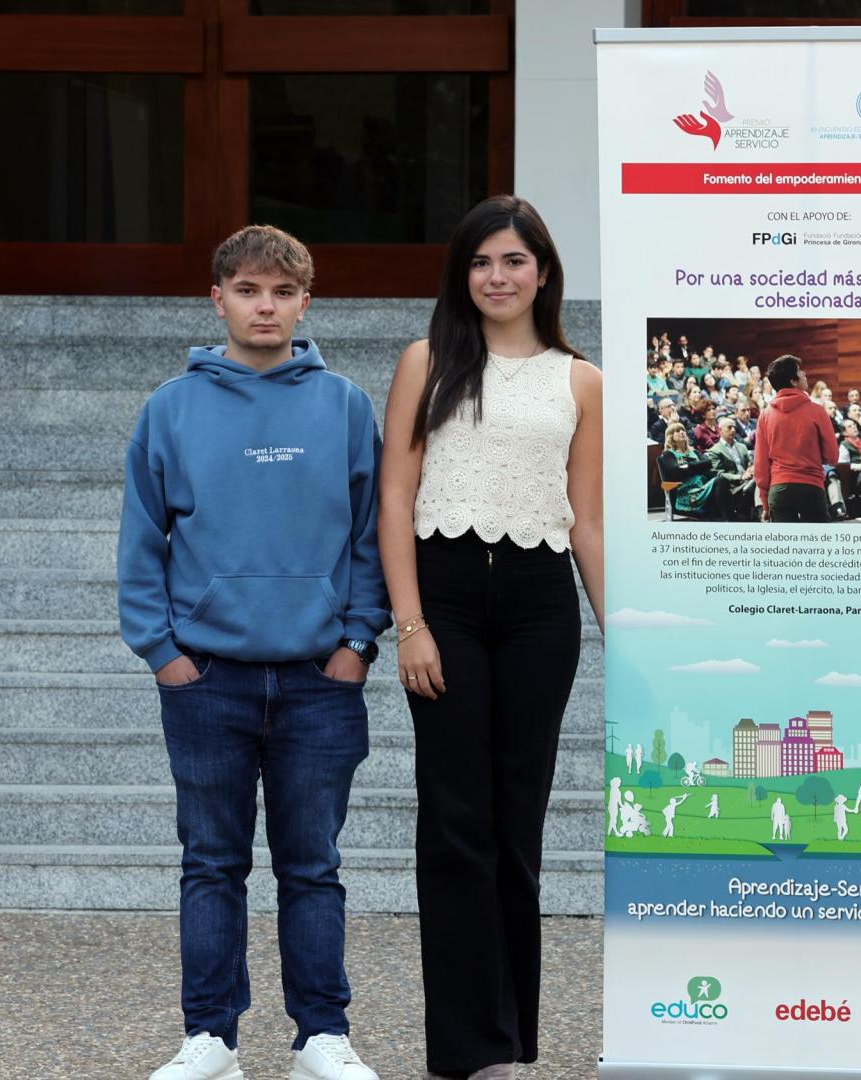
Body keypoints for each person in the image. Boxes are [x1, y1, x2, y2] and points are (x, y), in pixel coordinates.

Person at [120, 225, 388, 1080]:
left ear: (306, 302)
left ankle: (321, 1036)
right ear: (218, 300)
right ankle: (211, 1038)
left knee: (314, 867)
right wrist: (162, 651)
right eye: (247, 290)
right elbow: (143, 541)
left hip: (319, 679)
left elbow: (370, 536)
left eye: (281, 291)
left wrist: (357, 641)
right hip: (206, 680)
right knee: (211, 864)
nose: (264, 305)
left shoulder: (344, 404)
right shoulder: (170, 407)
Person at [378, 195, 604, 1080]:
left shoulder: (582, 379)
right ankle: (467, 1045)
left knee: (520, 823)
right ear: (461, 275)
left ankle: (510, 1042)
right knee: (455, 820)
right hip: (446, 600)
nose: (498, 277)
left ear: (543, 272)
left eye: (514, 261)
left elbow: (586, 520)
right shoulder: (425, 362)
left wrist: (620, 627)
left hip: (542, 608)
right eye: (481, 262)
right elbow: (395, 498)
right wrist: (411, 624)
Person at [752, 354, 838, 523]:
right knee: (818, 547)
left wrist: (765, 503)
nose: (805, 374)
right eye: (800, 372)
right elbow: (832, 457)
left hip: (779, 490)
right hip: (811, 488)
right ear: (793, 381)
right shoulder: (817, 410)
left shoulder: (765, 415)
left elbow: (760, 465)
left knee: (787, 549)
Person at [706, 416, 756, 519]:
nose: (733, 430)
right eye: (729, 427)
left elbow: (750, 462)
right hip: (733, 486)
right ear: (720, 430)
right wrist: (740, 477)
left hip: (749, 479)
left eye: (734, 427)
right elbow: (718, 474)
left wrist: (751, 468)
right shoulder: (714, 451)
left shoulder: (742, 446)